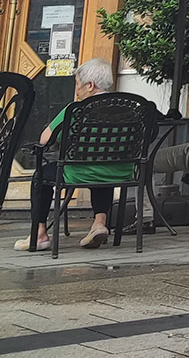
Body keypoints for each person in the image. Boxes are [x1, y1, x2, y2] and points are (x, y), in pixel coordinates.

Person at [16, 59, 130, 251]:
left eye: (77, 84)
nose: (76, 90)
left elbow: (44, 139)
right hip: (119, 172)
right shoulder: (129, 109)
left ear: (90, 85)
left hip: (77, 172)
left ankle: (40, 233)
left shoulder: (75, 109)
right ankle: (99, 223)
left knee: (40, 177)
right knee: (103, 166)